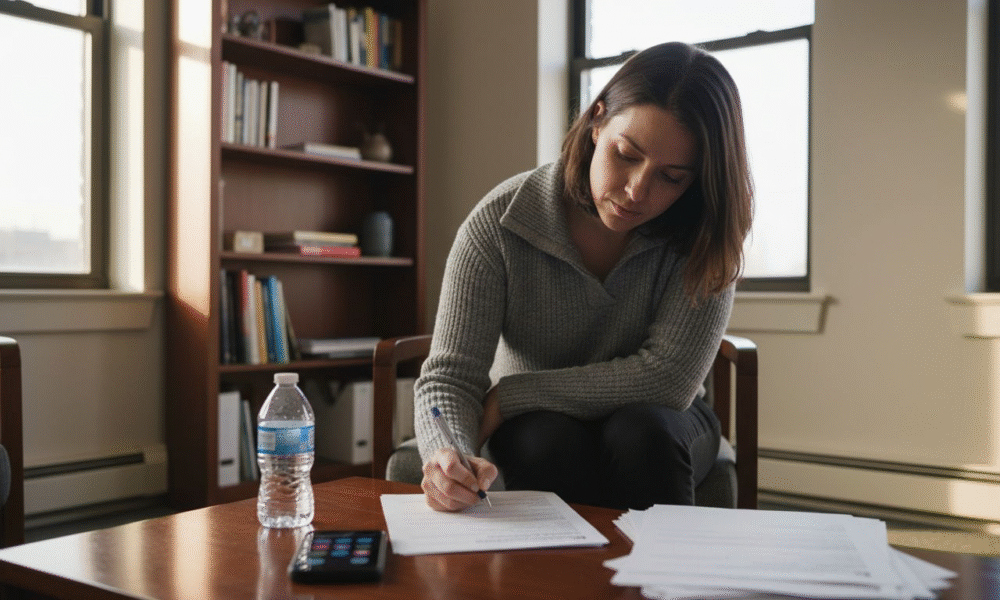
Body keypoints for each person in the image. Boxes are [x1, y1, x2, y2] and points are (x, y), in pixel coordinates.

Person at [414, 41, 753, 512]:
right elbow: (449, 377)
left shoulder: (706, 236)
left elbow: (668, 380)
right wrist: (444, 456)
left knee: (641, 434)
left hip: (663, 422)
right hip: (540, 425)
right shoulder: (498, 224)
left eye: (671, 177)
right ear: (596, 121)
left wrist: (513, 393)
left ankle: (666, 586)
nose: (637, 191)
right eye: (627, 154)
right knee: (545, 442)